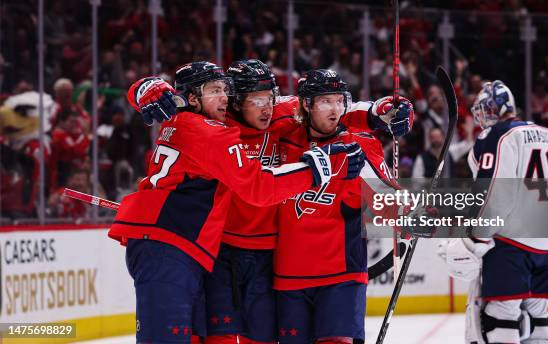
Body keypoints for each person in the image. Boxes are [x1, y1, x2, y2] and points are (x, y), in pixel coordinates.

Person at [132, 59, 413, 344]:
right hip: (221, 250)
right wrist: (145, 87)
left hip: (268, 254)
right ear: (236, 101)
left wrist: (377, 111)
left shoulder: (278, 112)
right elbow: (259, 185)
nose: (267, 107)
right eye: (256, 99)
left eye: (270, 98)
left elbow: (325, 104)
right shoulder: (216, 121)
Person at [274, 69, 413, 344]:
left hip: (341, 277)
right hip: (288, 276)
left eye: (340, 101)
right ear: (306, 104)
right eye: (326, 101)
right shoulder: (285, 137)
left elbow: (389, 200)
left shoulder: (358, 144)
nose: (335, 109)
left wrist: (410, 215)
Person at [439, 80, 548, 344]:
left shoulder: (496, 136)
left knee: (501, 315)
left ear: (500, 108)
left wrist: (477, 238)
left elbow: (496, 193)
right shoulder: (546, 133)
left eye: (487, 108)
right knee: (538, 316)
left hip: (514, 241)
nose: (484, 115)